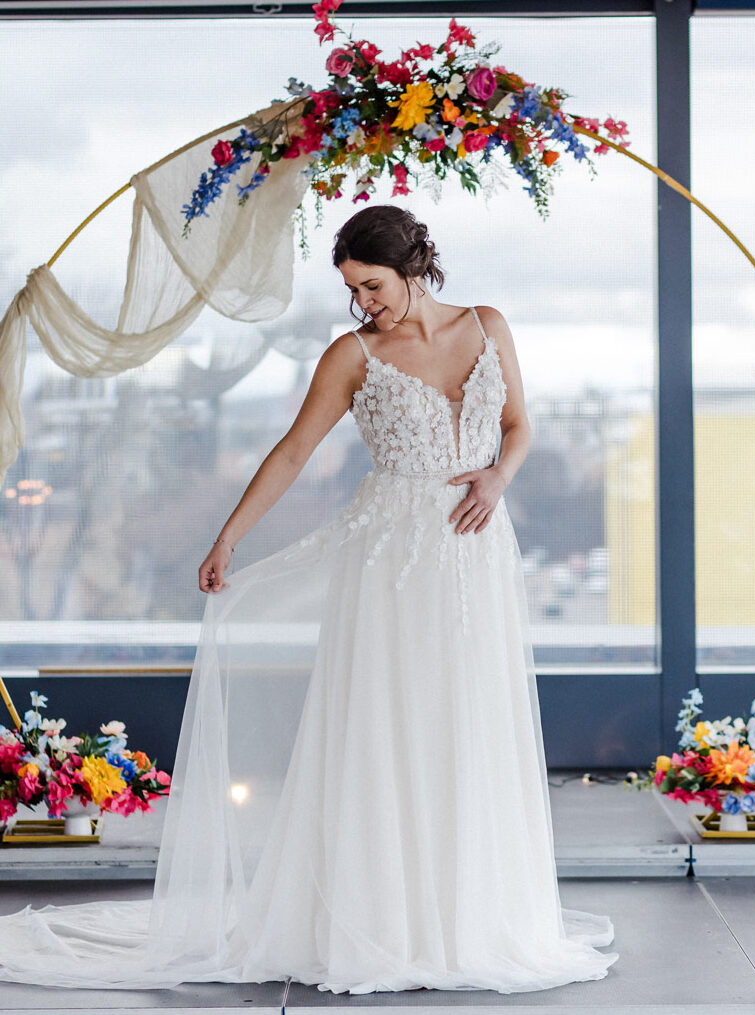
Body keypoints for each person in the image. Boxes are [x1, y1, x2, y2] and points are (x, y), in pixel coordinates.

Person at [0, 205, 618, 993]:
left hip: (477, 550)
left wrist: (499, 476)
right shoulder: (352, 354)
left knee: (471, 720)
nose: (364, 302)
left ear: (413, 266)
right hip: (392, 560)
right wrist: (228, 537)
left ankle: (468, 916)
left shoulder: (489, 324)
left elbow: (520, 424)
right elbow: (292, 451)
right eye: (354, 290)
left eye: (373, 284)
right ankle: (385, 919)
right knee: (392, 727)